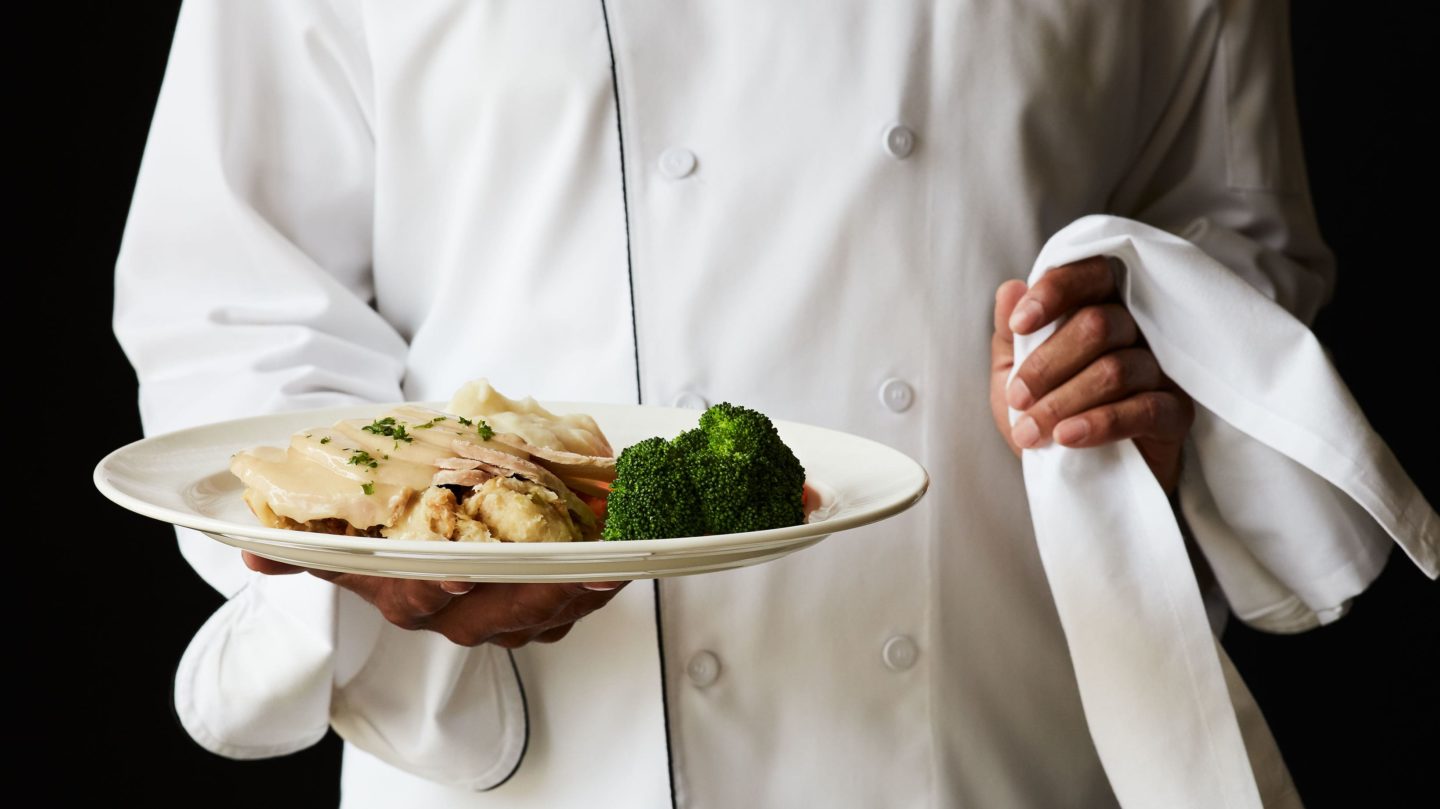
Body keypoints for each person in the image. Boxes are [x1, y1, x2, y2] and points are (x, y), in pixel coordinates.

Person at [114, 2, 1383, 806]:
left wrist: (1157, 366)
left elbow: (1239, 240)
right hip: (545, 737)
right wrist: (384, 557)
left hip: (998, 723)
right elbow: (236, 299)